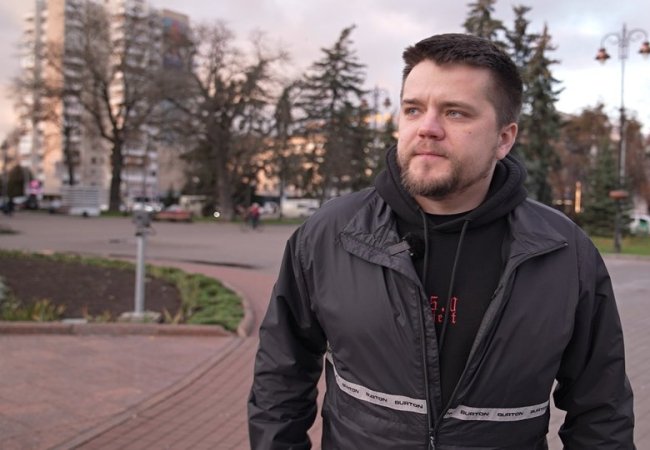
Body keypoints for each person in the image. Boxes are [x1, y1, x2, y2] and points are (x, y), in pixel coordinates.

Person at [248, 33, 635, 449]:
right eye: (413, 109)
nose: (427, 129)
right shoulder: (331, 234)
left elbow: (601, 409)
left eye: (455, 112)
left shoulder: (563, 252)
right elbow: (280, 379)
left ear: (504, 138)